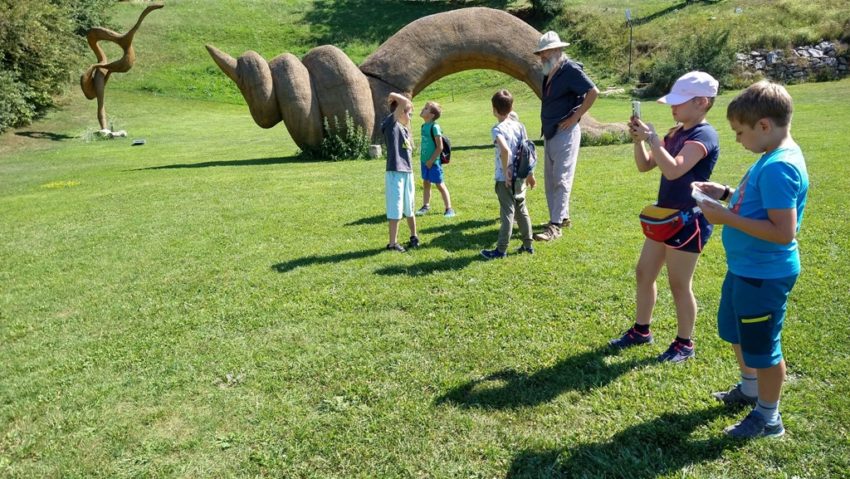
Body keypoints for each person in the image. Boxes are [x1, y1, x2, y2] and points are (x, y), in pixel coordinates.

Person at [693, 81, 808, 439]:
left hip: (764, 274)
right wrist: (726, 193)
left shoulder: (779, 166)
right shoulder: (770, 158)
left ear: (764, 126)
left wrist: (725, 216)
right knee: (735, 330)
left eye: (740, 132)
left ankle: (768, 418)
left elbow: (783, 231)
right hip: (745, 269)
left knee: (764, 347)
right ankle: (749, 388)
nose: (738, 140)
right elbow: (758, 201)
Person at [609, 71, 720, 363]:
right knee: (644, 273)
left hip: (689, 219)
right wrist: (639, 141)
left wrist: (653, 138)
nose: (673, 107)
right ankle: (641, 331)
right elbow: (646, 165)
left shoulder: (704, 135)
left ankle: (685, 343)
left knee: (679, 284)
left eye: (680, 102)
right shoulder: (676, 132)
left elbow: (674, 170)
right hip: (665, 218)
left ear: (702, 102)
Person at [532, 31, 599, 241]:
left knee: (561, 178)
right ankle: (562, 217)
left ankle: (555, 226)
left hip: (565, 132)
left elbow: (593, 92)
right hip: (551, 132)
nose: (542, 56)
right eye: (541, 53)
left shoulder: (570, 69)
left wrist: (575, 117)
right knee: (551, 179)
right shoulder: (549, 70)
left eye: (546, 52)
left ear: (557, 50)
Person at [80, 3, 164, 131]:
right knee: (101, 103)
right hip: (105, 70)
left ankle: (104, 129)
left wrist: (149, 10)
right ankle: (104, 129)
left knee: (101, 103)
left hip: (109, 68)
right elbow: (135, 27)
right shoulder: (101, 68)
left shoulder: (105, 64)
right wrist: (99, 67)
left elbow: (135, 27)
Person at [481, 90, 537, 260]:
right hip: (521, 175)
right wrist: (530, 174)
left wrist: (507, 174)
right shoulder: (519, 126)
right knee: (522, 209)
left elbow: (504, 150)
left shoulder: (497, 129)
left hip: (505, 178)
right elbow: (528, 150)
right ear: (512, 107)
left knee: (507, 213)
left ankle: (501, 250)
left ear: (494, 109)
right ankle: (528, 245)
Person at [381, 92, 420, 252]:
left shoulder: (404, 129)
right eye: (409, 113)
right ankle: (392, 243)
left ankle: (414, 236)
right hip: (395, 173)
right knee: (395, 208)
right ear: (400, 111)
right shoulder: (391, 124)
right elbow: (403, 102)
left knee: (409, 207)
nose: (410, 117)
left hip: (407, 172)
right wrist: (394, 97)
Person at [415, 101, 456, 218]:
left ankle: (449, 208)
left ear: (432, 115)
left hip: (433, 162)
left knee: (439, 184)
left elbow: (440, 147)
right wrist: (425, 160)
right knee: (426, 182)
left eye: (426, 108)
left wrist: (431, 161)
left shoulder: (435, 127)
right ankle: (425, 206)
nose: (423, 109)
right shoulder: (423, 126)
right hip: (424, 161)